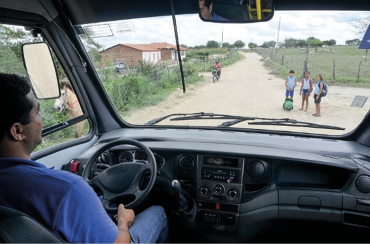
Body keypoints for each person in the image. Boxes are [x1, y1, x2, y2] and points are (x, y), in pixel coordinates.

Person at [0, 73, 168, 244]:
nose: (41, 120)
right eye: (38, 113)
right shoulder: (67, 190)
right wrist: (123, 223)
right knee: (158, 212)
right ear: (17, 131)